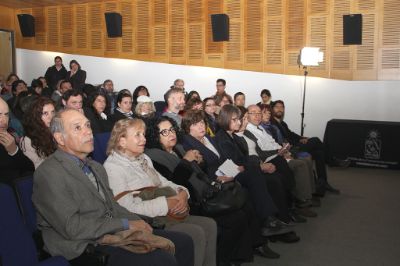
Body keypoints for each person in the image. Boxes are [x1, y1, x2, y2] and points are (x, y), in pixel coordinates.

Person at [32, 109, 194, 266]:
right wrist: (125, 224)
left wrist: (138, 220)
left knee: (184, 242)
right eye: (77, 127)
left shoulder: (95, 166)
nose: (88, 132)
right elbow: (72, 227)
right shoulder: (49, 173)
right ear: (60, 138)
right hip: (82, 245)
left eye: (88, 125)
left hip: (109, 231)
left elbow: (112, 206)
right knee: (161, 260)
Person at [104, 118, 217, 266]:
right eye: (137, 135)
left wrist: (182, 193)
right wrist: (166, 203)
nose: (143, 139)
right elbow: (125, 208)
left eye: (143, 134)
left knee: (210, 225)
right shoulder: (113, 167)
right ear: (122, 141)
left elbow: (164, 182)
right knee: (196, 233)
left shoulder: (143, 158)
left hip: (168, 211)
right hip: (151, 220)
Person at [271, 100, 340, 194]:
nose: (280, 109)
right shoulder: (272, 124)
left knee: (319, 153)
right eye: (277, 107)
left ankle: (322, 182)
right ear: (272, 109)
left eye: (282, 107)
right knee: (315, 140)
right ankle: (332, 161)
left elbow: (291, 134)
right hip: (290, 150)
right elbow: (284, 141)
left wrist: (301, 138)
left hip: (294, 146)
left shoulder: (283, 123)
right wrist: (299, 141)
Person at [0, 97, 34, 184]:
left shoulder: (9, 137)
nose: (3, 120)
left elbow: (29, 168)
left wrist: (14, 151)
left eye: (6, 114)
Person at [20, 97, 57, 169]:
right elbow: (38, 168)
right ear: (35, 116)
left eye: (52, 112)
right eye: (45, 113)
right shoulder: (28, 140)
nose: (51, 117)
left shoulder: (57, 130)